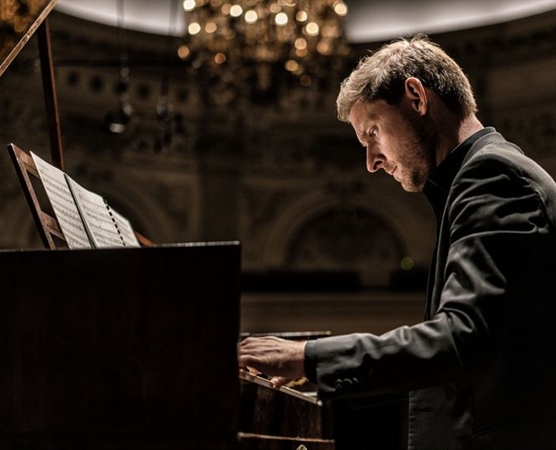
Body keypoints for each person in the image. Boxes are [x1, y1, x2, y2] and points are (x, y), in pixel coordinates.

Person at [238, 35, 556, 449]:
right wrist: (317, 372)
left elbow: (463, 338)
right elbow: (460, 365)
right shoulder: (477, 179)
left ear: (415, 97)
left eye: (372, 132)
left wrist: (308, 356)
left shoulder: (492, 177)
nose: (371, 162)